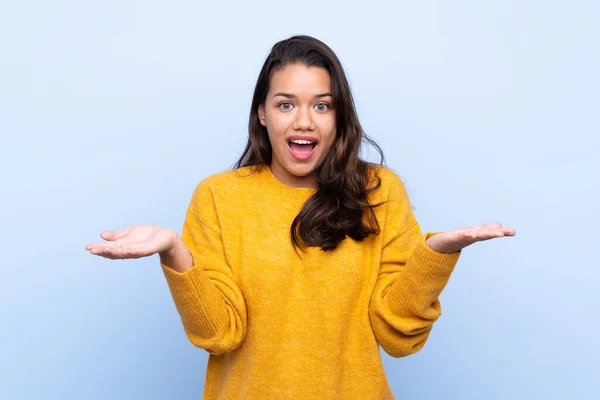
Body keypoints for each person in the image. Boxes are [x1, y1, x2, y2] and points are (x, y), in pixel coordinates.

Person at [85, 35, 515, 399]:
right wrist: (174, 251)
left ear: (339, 115)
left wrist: (435, 255)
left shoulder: (379, 191)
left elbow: (397, 335)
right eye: (286, 104)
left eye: (322, 106)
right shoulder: (219, 196)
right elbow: (220, 334)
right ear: (262, 113)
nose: (304, 121)